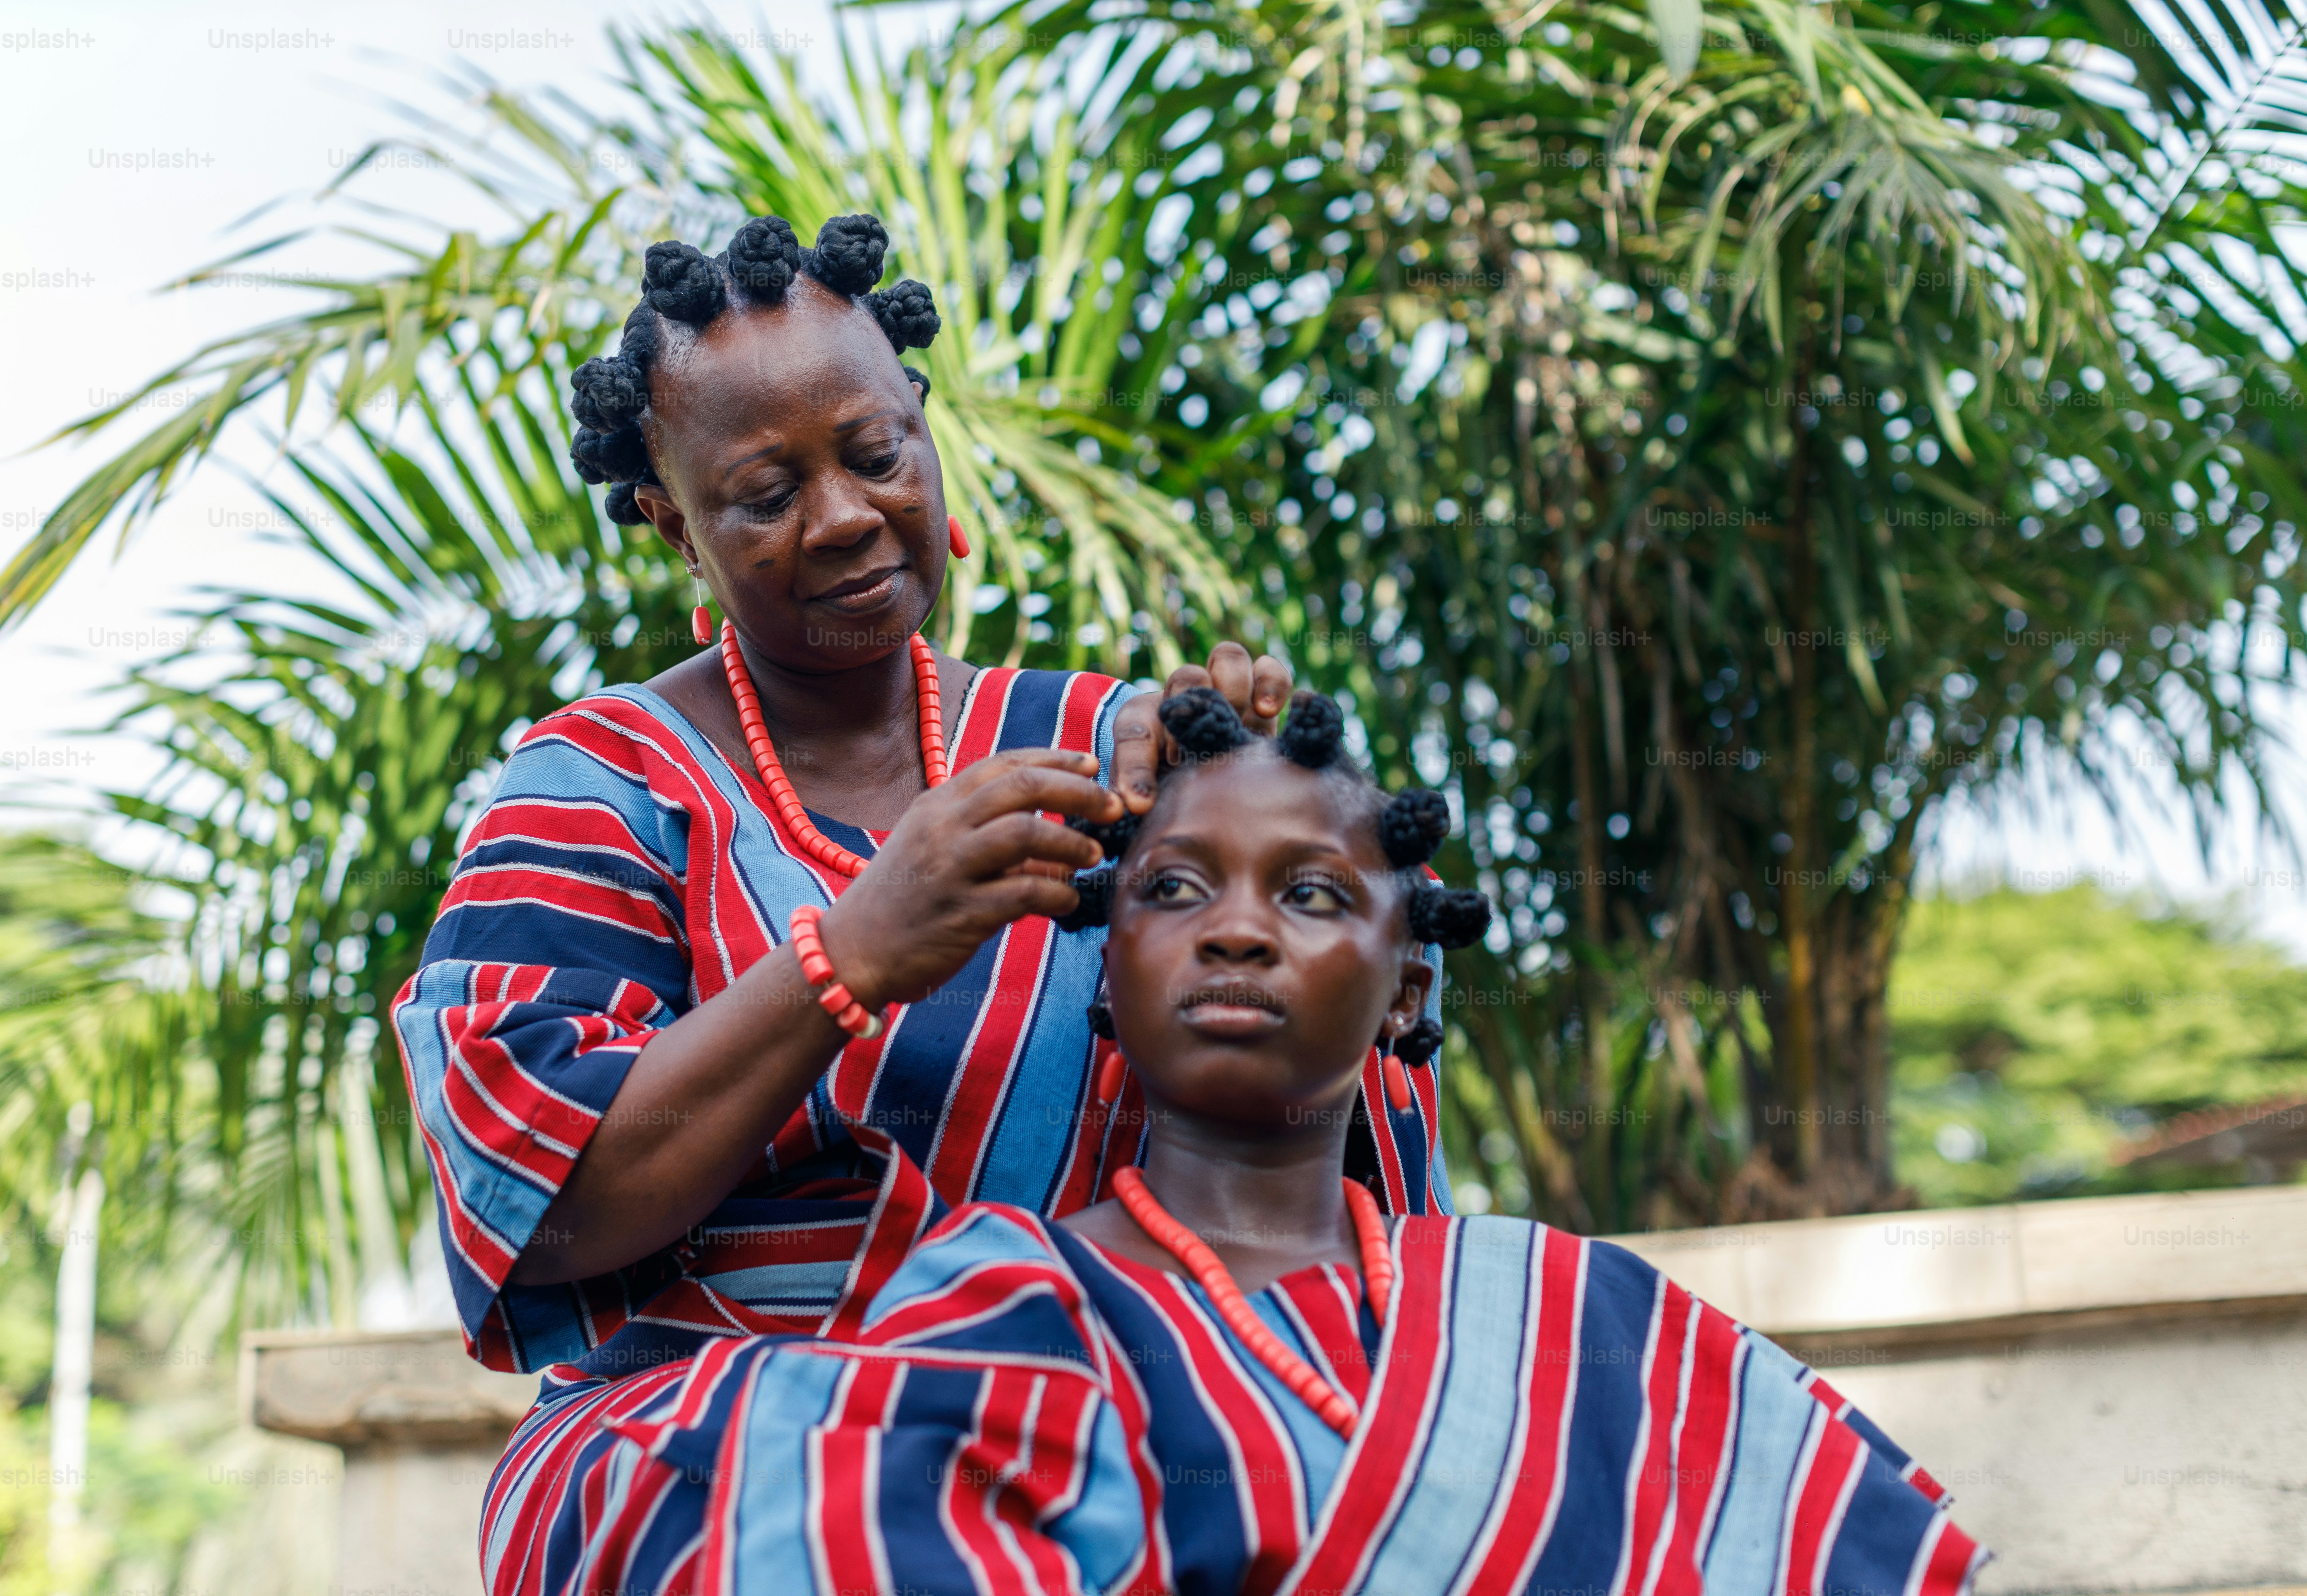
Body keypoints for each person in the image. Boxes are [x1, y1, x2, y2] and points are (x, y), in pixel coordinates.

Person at [389, 216, 1454, 1591]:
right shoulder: (599, 790)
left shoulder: (1101, 753)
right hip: (712, 1434)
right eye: (765, 494)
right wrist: (852, 957)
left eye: (875, 454)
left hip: (1097, 1408)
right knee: (862, 1506)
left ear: (926, 436)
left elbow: (1330, 1096)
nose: (841, 517)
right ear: (672, 526)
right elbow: (541, 1199)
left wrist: (1287, 818)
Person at [485, 690, 1989, 1596]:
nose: (1244, 931)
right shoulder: (996, 1316)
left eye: (1315, 896)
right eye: (1179, 890)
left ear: (1412, 981)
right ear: (1096, 963)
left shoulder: (1564, 1315)